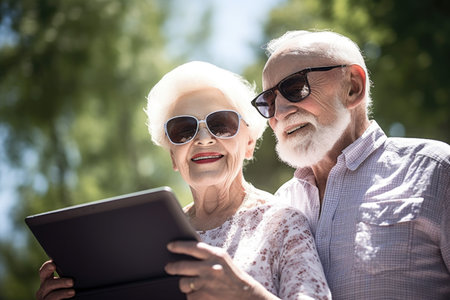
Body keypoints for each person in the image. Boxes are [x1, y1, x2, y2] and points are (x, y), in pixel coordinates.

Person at [36, 61, 331, 300]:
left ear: (250, 143)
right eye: (182, 130)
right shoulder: (145, 239)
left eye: (221, 124)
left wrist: (246, 294)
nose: (203, 139)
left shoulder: (283, 223)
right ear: (173, 157)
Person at [250, 30, 450, 299]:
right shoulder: (279, 205)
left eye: (295, 88)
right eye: (269, 102)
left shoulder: (436, 170)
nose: (281, 112)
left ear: (353, 86)